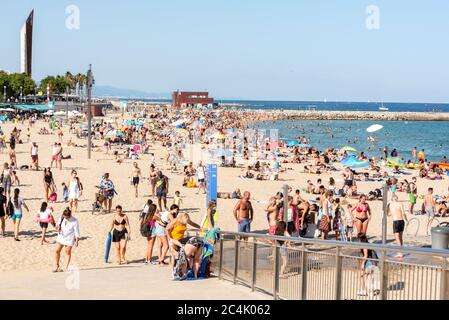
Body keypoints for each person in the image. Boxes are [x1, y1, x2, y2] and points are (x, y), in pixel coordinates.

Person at [54, 208, 80, 272]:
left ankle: (66, 267)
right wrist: (57, 228)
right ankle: (57, 266)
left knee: (67, 252)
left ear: (70, 215)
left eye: (67, 217)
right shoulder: (62, 217)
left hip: (69, 238)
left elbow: (76, 231)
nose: (65, 218)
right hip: (61, 236)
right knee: (56, 251)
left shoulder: (75, 221)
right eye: (64, 216)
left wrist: (76, 241)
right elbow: (57, 225)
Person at [139, 200, 158, 264]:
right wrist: (157, 213)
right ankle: (149, 260)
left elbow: (141, 222)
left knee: (148, 245)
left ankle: (146, 259)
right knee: (151, 246)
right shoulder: (154, 216)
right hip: (153, 231)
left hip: (147, 231)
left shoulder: (146, 215)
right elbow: (162, 220)